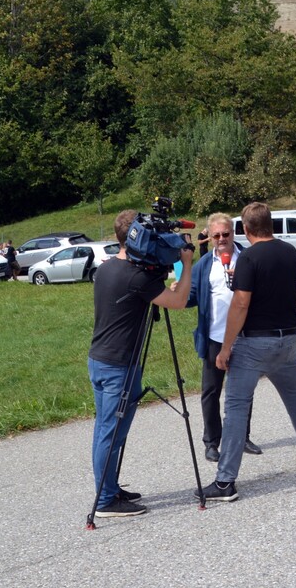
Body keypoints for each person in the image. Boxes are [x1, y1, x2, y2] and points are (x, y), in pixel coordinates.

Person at [200, 202, 296, 503]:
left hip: (254, 342)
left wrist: (226, 347)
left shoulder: (249, 258)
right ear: (269, 224)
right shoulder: (290, 253)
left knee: (237, 406)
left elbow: (240, 305)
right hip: (287, 339)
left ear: (246, 227)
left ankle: (225, 481)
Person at [89, 208, 193, 518]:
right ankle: (106, 500)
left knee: (107, 430)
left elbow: (156, 294)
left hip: (102, 359)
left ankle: (111, 487)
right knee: (110, 432)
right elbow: (179, 302)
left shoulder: (109, 267)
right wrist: (185, 265)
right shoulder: (137, 277)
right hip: (118, 364)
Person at [187, 213, 261, 463]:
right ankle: (211, 442)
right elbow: (192, 296)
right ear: (210, 236)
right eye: (216, 235)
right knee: (211, 391)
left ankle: (243, 437)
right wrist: (175, 292)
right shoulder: (204, 264)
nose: (221, 239)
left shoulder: (248, 258)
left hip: (244, 336)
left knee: (243, 391)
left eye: (225, 234)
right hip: (214, 338)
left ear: (234, 233)